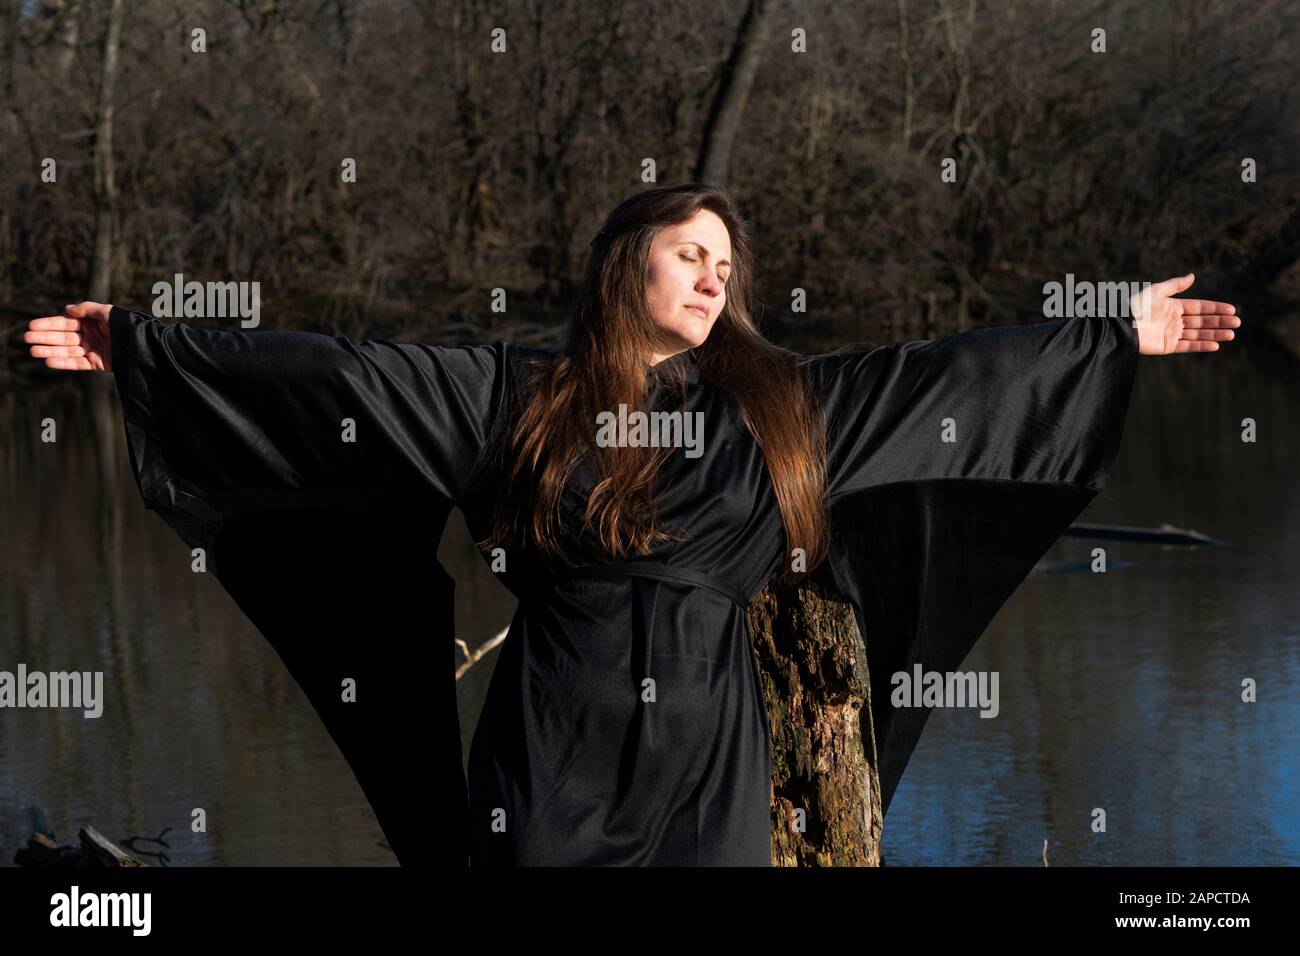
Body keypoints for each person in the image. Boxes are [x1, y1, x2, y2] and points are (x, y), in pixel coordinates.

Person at [25, 183, 1239, 866]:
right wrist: (141, 343)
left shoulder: (784, 409)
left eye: (727, 263)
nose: (716, 276)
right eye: (689, 252)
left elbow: (944, 382)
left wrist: (1107, 333)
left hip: (713, 755)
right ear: (625, 267)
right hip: (553, 740)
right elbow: (340, 376)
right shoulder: (515, 397)